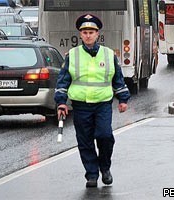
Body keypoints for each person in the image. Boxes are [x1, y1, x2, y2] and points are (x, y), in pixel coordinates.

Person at [54, 14, 131, 188]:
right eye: (85, 32)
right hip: (81, 105)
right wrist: (61, 102)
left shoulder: (108, 54)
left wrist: (123, 99)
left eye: (91, 32)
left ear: (97, 34)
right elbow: (63, 80)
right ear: (80, 35)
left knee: (105, 136)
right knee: (85, 141)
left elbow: (118, 78)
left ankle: (105, 168)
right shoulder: (72, 55)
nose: (88, 35)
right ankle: (92, 175)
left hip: (103, 104)